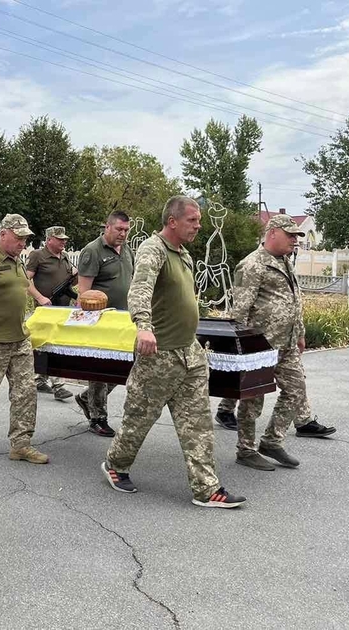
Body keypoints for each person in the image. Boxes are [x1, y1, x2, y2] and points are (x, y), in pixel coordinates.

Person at [101, 196, 246, 509]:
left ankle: (207, 489)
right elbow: (140, 289)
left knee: (198, 424)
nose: (198, 226)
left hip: (189, 353)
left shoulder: (184, 254)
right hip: (159, 356)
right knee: (138, 420)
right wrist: (143, 326)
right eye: (192, 220)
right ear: (172, 221)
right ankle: (115, 464)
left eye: (199, 220)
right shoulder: (153, 249)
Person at [227, 214, 336, 471]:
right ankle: (246, 450)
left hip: (286, 344)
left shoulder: (285, 261)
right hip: (259, 347)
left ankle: (272, 441)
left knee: (296, 390)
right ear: (273, 233)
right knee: (253, 400)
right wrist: (240, 349)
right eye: (290, 235)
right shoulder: (252, 265)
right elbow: (239, 312)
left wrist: (300, 333)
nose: (295, 240)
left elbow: (294, 301)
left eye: (297, 236)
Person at [0, 214, 49, 464]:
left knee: (26, 393)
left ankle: (21, 445)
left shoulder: (17, 260)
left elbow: (22, 287)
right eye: (18, 237)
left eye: (25, 238)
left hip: (19, 339)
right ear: (3, 234)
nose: (23, 242)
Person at [75, 211, 135, 437]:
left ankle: (87, 399)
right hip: (101, 322)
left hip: (124, 319)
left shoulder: (127, 250)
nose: (123, 234)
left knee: (124, 368)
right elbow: (84, 293)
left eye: (126, 230)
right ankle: (97, 417)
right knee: (100, 370)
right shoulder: (92, 251)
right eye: (119, 229)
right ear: (107, 227)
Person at [25, 226, 77, 402]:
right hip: (46, 310)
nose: (64, 242)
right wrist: (40, 298)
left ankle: (39, 379)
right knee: (53, 344)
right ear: (49, 240)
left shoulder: (65, 257)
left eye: (64, 239)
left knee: (49, 345)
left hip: (63, 309)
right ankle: (59, 385)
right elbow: (25, 280)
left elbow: (72, 280)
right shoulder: (38, 255)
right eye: (60, 239)